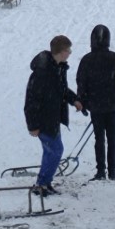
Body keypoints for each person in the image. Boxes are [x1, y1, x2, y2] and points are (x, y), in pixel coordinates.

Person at [24, 34, 83, 195]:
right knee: (56, 150)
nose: (70, 53)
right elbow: (31, 100)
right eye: (68, 50)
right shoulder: (42, 72)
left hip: (53, 118)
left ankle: (44, 183)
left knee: (51, 151)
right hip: (43, 120)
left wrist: (74, 100)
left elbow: (61, 89)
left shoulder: (58, 68)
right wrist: (33, 125)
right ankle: (42, 184)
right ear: (61, 52)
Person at [76, 24, 115, 181]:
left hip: (96, 105)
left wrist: (83, 101)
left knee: (99, 139)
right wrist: (112, 93)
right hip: (111, 105)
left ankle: (101, 171)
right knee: (112, 139)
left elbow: (81, 83)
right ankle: (112, 172)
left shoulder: (87, 60)